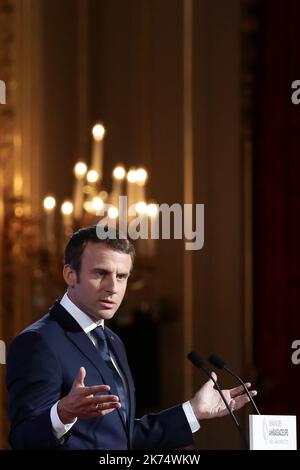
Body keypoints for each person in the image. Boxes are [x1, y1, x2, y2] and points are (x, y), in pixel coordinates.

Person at [6, 225, 257, 450]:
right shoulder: (38, 342)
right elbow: (22, 439)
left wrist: (193, 411)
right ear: (70, 275)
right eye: (100, 273)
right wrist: (62, 414)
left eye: (121, 276)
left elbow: (122, 439)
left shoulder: (113, 341)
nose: (113, 287)